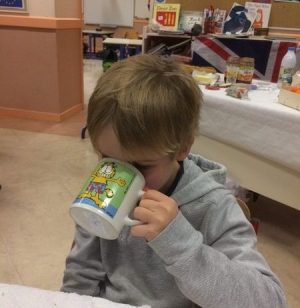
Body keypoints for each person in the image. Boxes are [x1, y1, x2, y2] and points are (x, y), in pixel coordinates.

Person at [61, 54, 287, 308]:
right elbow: (80, 276)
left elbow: (271, 302)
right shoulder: (102, 189)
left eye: (141, 165)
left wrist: (179, 243)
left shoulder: (213, 206)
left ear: (182, 148)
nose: (118, 178)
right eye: (108, 160)